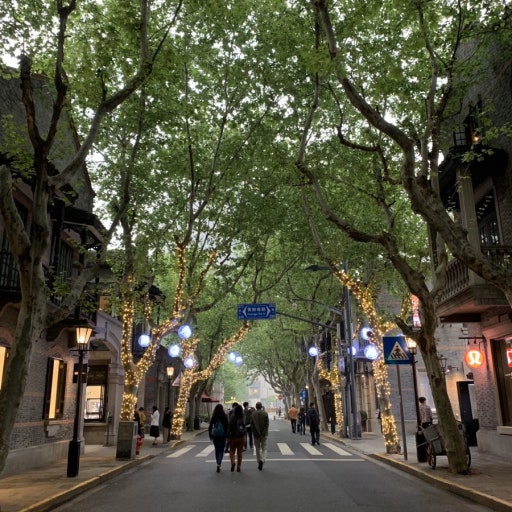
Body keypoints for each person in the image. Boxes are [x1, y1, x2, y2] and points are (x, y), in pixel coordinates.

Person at [208, 403, 229, 472]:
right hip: (222, 435)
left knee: (217, 450)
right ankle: (219, 463)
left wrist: (210, 435)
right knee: (221, 450)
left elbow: (210, 426)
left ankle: (217, 463)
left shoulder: (214, 416)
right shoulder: (224, 416)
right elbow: (227, 426)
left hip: (215, 435)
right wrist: (227, 434)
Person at [227, 404, 246, 472]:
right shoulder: (243, 416)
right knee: (239, 452)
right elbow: (244, 426)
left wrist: (228, 436)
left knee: (232, 451)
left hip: (233, 437)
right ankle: (239, 466)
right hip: (241, 437)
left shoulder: (232, 416)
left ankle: (233, 462)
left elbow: (229, 426)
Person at [251, 402, 269, 470]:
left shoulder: (253, 414)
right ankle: (262, 459)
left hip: (256, 435)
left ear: (256, 407)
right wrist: (263, 433)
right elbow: (267, 424)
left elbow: (252, 425)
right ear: (261, 406)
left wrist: (256, 433)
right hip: (264, 435)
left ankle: (259, 462)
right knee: (264, 448)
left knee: (257, 449)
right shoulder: (265, 413)